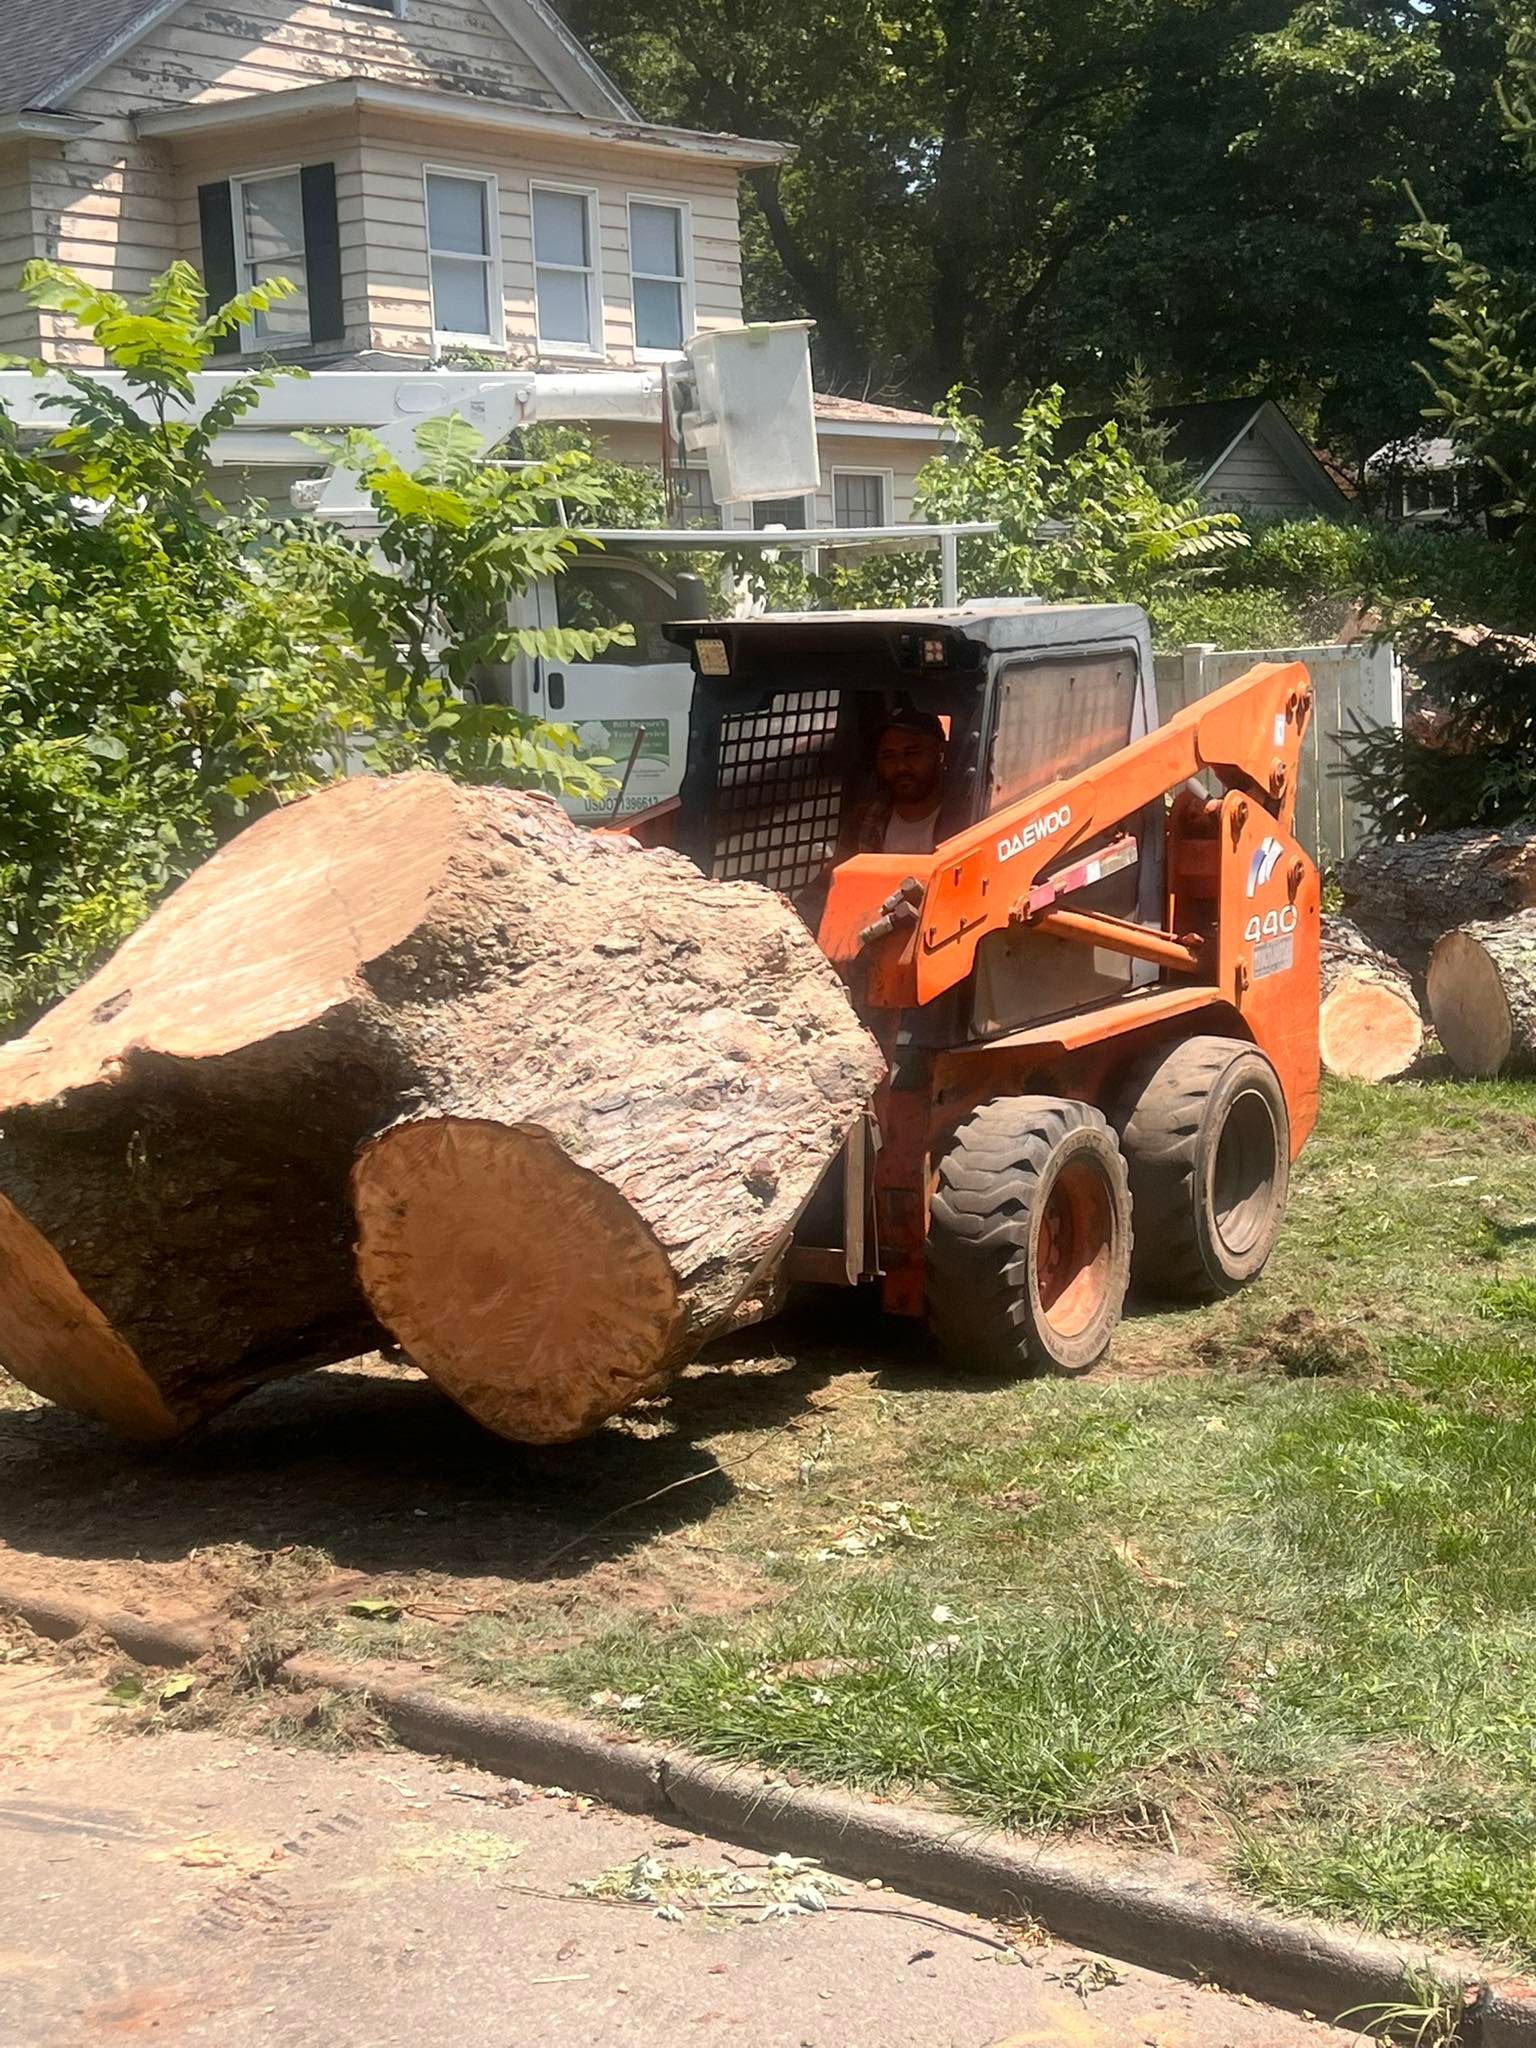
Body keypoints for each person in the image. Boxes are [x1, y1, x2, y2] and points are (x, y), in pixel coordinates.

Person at [851, 709, 948, 856]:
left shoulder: (966, 816)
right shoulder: (866, 819)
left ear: (940, 752)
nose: (901, 766)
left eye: (912, 753)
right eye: (888, 756)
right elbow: (835, 874)